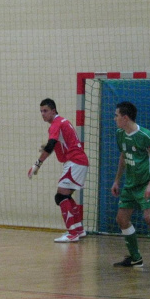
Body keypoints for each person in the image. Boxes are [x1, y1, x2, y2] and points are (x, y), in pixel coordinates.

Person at [110, 101, 150, 275]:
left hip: (146, 183)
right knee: (122, 219)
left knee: (149, 218)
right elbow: (123, 156)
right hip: (130, 184)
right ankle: (135, 258)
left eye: (116, 115)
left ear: (125, 117)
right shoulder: (120, 134)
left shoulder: (146, 135)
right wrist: (117, 180)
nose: (114, 118)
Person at [28, 98, 89, 243]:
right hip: (78, 161)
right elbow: (59, 143)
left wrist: (37, 165)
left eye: (45, 111)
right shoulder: (63, 122)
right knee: (66, 196)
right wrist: (47, 146)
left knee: (60, 196)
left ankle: (72, 233)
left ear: (53, 111)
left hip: (74, 161)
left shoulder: (56, 123)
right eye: (41, 111)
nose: (43, 114)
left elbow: (51, 145)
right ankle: (79, 230)